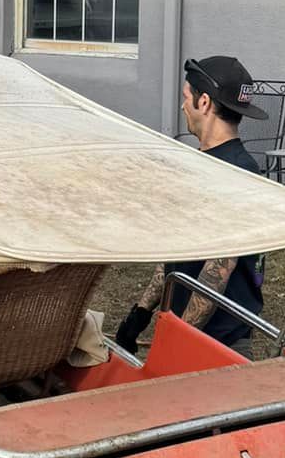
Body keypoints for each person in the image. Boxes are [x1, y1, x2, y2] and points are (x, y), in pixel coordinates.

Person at [115, 55, 270, 356]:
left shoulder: (238, 173)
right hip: (187, 331)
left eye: (186, 97)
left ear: (204, 103)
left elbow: (216, 273)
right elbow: (178, 252)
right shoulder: (199, 166)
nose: (182, 106)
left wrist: (177, 342)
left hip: (218, 345)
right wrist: (140, 314)